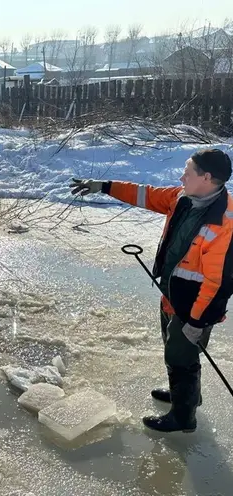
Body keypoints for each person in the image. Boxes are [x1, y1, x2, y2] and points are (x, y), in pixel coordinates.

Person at [71, 148, 233, 433]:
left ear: (207, 177)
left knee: (181, 356)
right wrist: (104, 186)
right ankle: (187, 396)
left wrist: (197, 321)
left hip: (196, 303)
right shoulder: (181, 197)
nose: (182, 175)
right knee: (173, 349)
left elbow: (219, 281)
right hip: (172, 292)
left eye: (188, 171)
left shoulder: (225, 221)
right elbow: (144, 194)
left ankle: (184, 417)